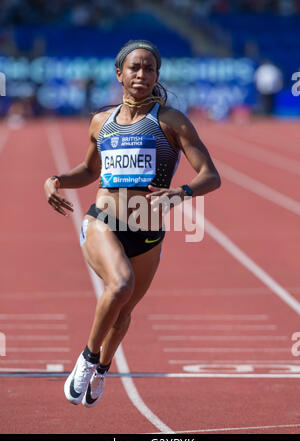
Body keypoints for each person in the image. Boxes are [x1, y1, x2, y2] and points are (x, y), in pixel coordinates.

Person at [44, 39, 221, 408]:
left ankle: (103, 368)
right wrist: (56, 180)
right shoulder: (100, 121)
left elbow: (211, 175)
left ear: (157, 75)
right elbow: (90, 171)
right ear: (119, 73)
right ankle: (88, 358)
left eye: (150, 69)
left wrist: (181, 192)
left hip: (148, 228)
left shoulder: (170, 121)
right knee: (120, 284)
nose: (142, 74)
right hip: (102, 220)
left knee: (123, 312)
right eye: (135, 68)